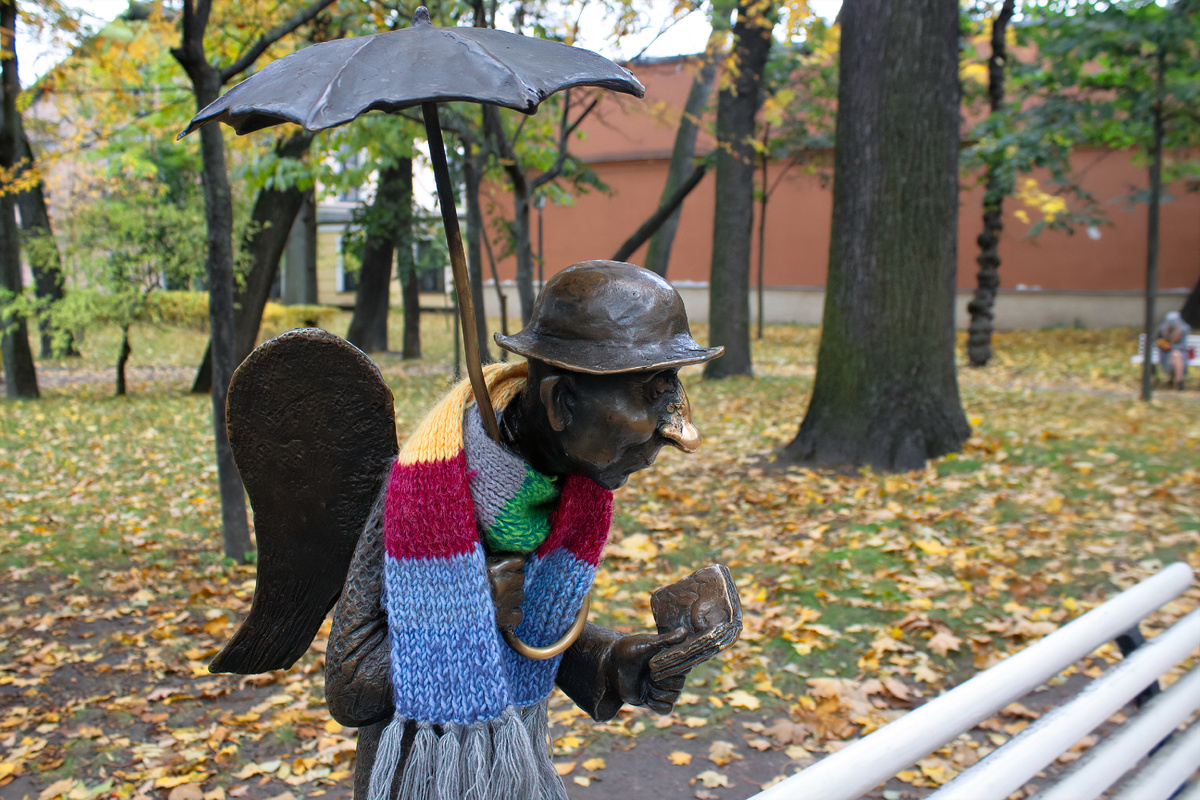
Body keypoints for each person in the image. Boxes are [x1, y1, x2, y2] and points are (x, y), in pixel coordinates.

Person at [323, 261, 727, 800]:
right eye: (652, 395)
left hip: (514, 773)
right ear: (561, 402)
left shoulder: (569, 487)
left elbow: (531, 627)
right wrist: (468, 609)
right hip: (419, 779)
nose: (678, 432)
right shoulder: (423, 491)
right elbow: (349, 685)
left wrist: (613, 662)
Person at [1155, 310, 1191, 390]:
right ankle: (1180, 382)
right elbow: (1159, 344)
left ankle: (1175, 380)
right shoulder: (1162, 330)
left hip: (1181, 355)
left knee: (1176, 354)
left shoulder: (1183, 330)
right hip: (1166, 354)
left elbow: (1182, 347)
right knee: (1176, 355)